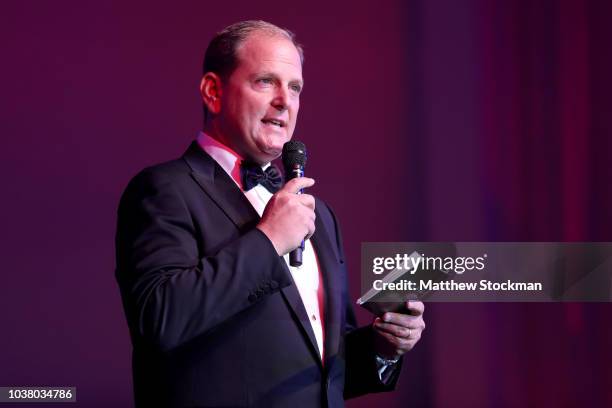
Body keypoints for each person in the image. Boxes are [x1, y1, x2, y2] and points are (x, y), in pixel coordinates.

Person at [115, 20, 425, 408]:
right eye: (266, 81)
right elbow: (159, 320)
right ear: (213, 91)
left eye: (295, 87)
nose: (285, 101)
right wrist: (269, 240)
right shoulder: (165, 189)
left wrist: (383, 346)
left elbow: (326, 370)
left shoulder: (318, 215)